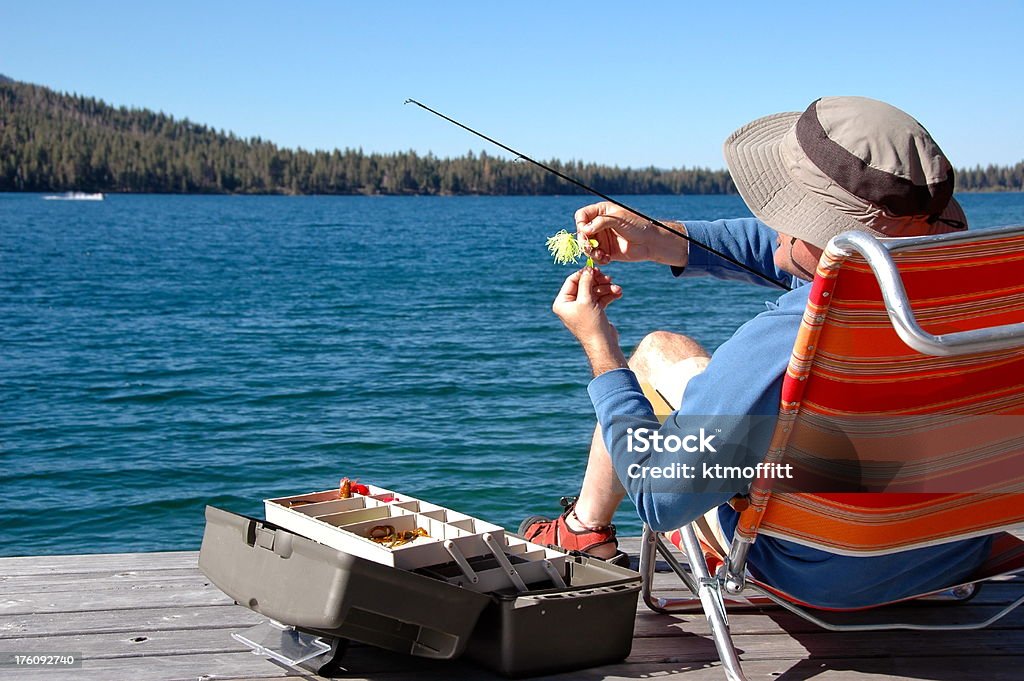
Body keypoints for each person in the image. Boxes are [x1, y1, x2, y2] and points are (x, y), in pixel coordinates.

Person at [519, 96, 985, 608]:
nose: (771, 221)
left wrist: (601, 351)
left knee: (657, 351)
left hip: (822, 568)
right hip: (962, 548)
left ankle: (586, 529)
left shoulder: (794, 337)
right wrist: (662, 240)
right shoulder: (979, 283)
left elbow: (658, 495)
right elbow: (800, 252)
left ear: (824, 232)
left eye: (784, 209)